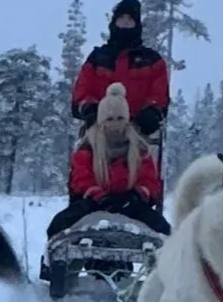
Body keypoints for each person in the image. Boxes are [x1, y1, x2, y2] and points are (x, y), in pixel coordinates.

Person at [44, 81, 167, 239]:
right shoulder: (87, 148)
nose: (115, 123)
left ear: (127, 119)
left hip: (131, 205)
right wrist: (98, 196)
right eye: (110, 119)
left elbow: (149, 181)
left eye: (120, 118)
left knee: (165, 231)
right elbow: (81, 180)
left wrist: (136, 196)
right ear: (101, 121)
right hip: (93, 204)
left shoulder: (140, 149)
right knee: (57, 226)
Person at [70, 0, 170, 140]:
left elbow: (159, 94)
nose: (125, 22)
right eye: (121, 18)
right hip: (100, 127)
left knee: (142, 154)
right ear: (114, 22)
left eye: (130, 19)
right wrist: (90, 108)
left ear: (136, 24)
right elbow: (82, 89)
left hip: (138, 130)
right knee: (84, 154)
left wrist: (152, 112)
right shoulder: (97, 58)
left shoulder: (152, 61)